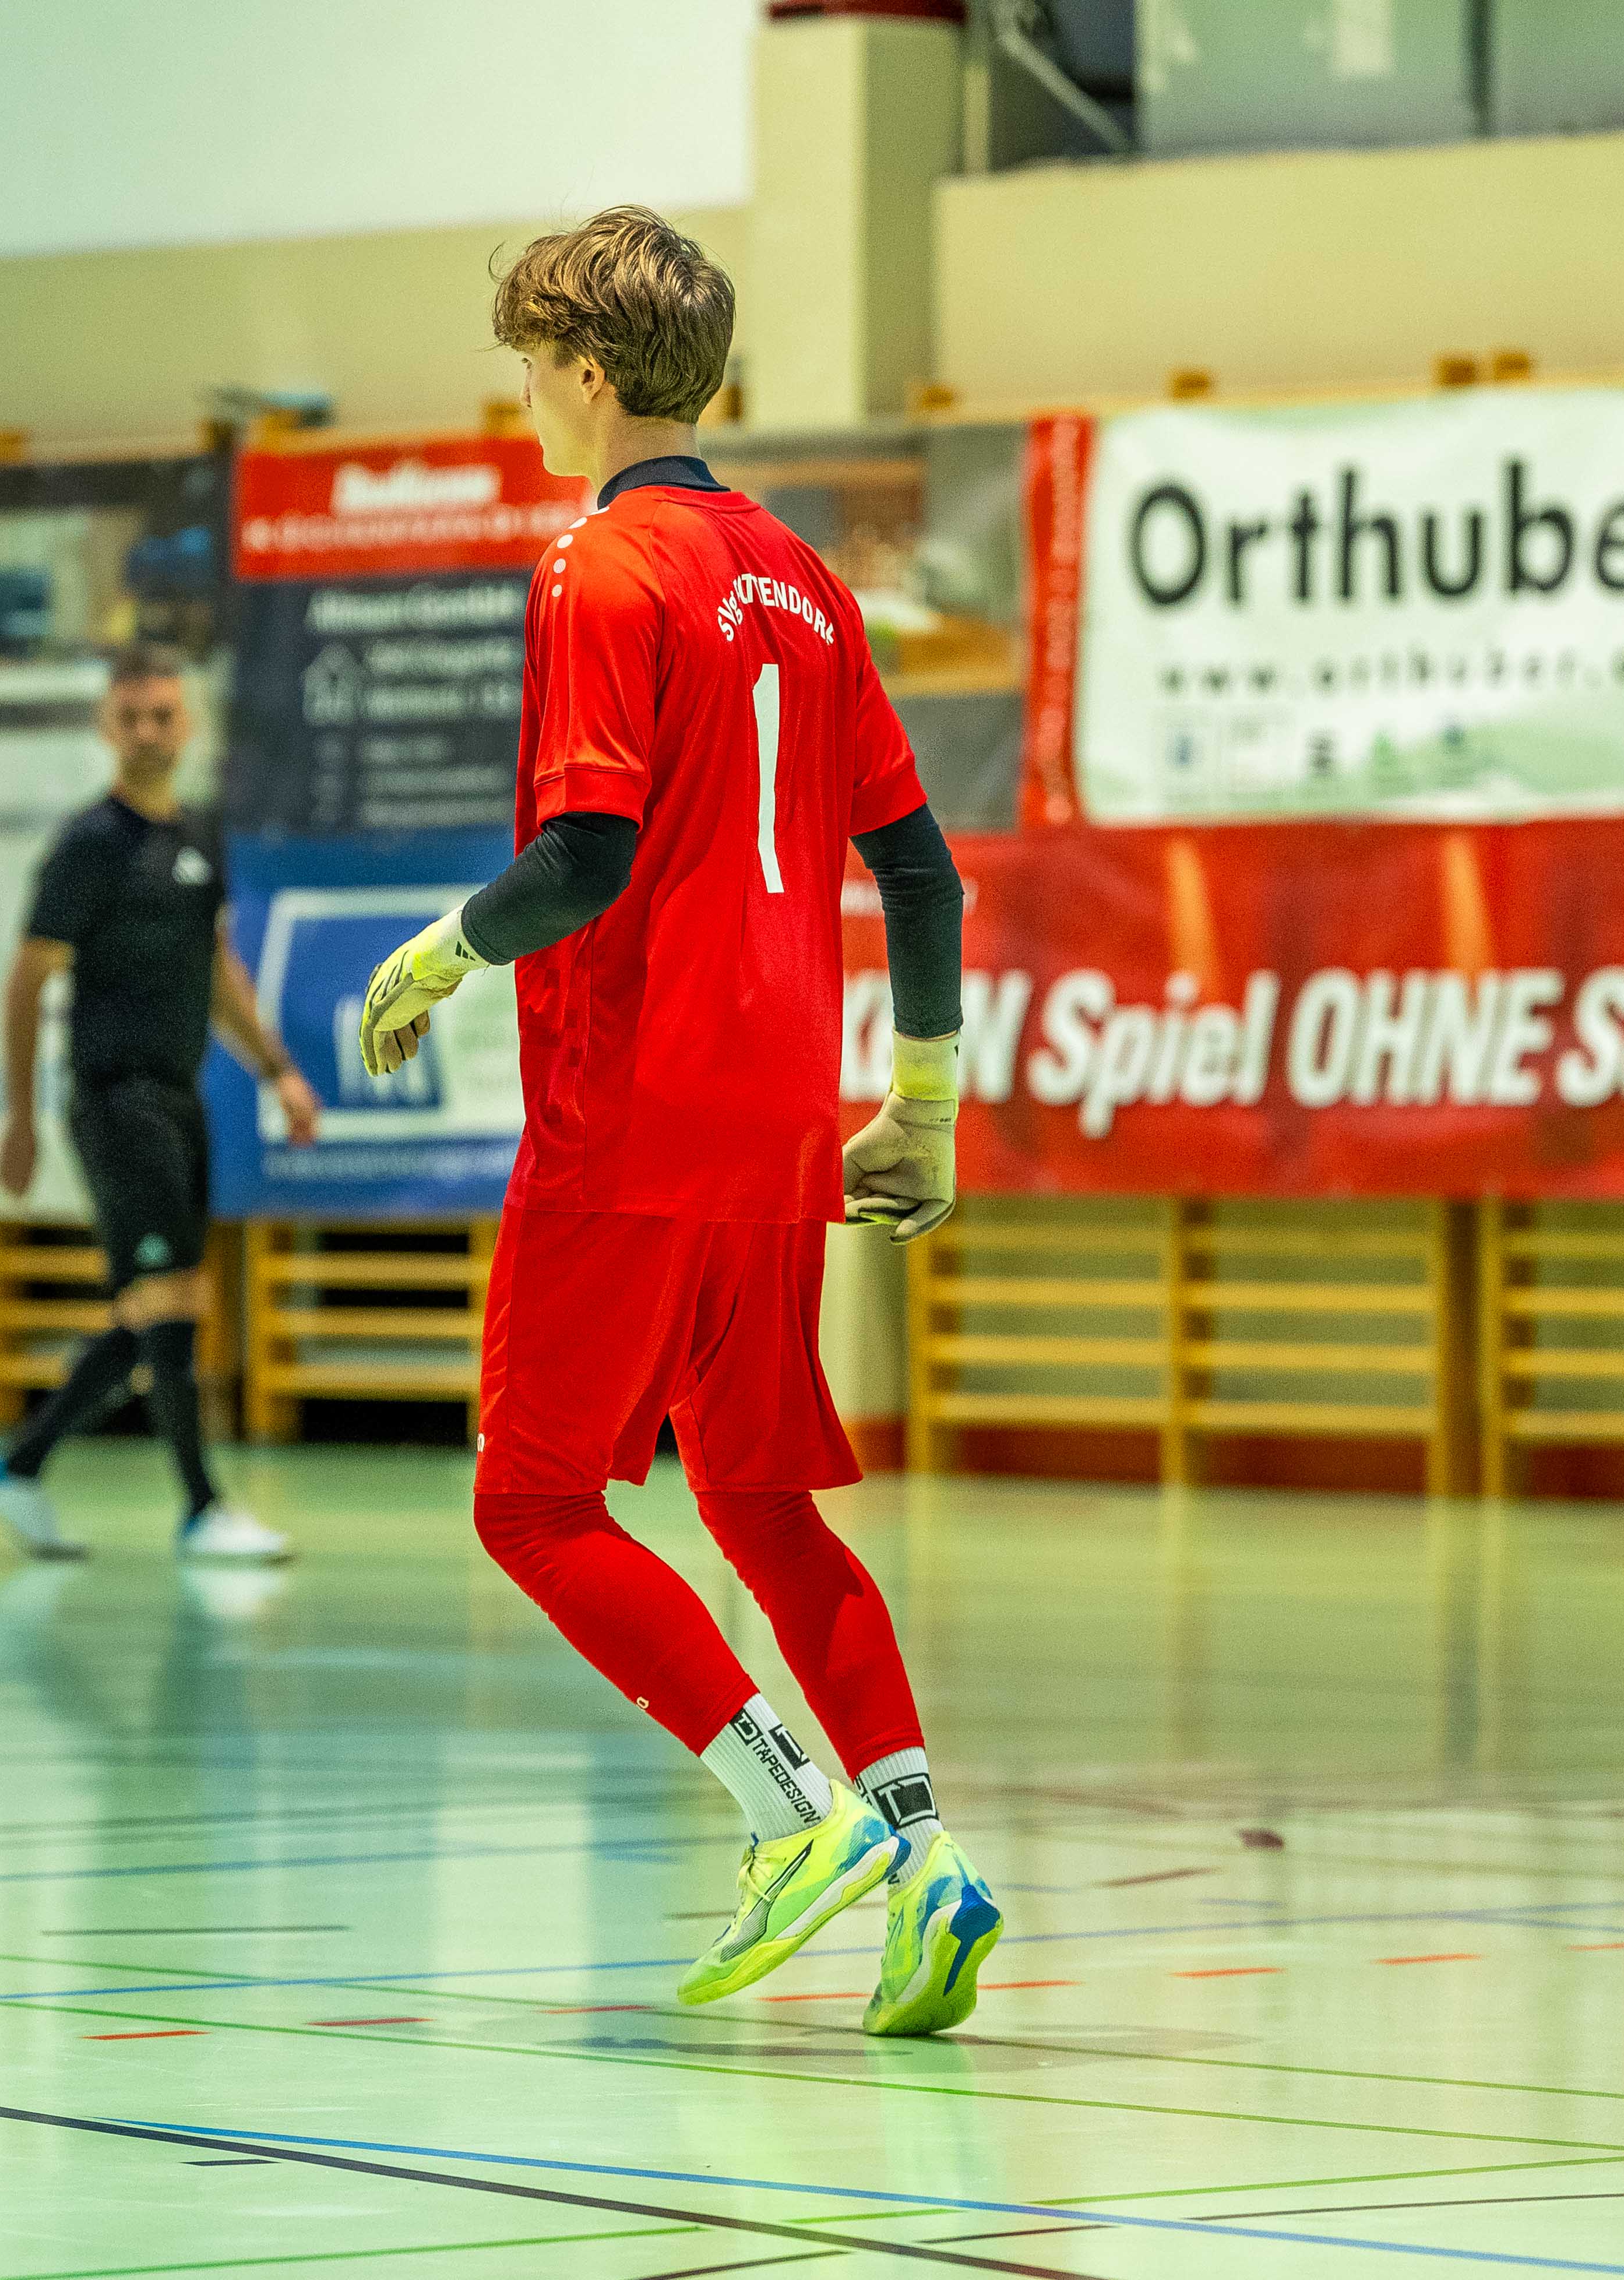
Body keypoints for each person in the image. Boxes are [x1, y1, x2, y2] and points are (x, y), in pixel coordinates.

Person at [351, 207, 995, 2034]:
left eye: (526, 369)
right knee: (761, 1500)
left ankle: (792, 1815)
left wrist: (435, 953)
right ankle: (926, 1856)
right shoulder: (804, 579)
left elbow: (586, 857)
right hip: (781, 1110)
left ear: (584, 373)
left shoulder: (599, 564)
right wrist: (924, 1103)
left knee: (534, 1499)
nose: (523, 403)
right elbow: (921, 872)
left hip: (629, 1104)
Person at [0, 643, 321, 1564]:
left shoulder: (199, 836)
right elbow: (25, 982)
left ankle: (18, 1469)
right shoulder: (88, 845)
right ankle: (202, 1509)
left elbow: (217, 970)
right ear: (106, 728)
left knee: (162, 1307)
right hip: (115, 1098)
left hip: (180, 1096)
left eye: (163, 715)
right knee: (165, 1301)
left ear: (187, 724)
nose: (149, 732)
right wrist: (19, 1120)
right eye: (131, 718)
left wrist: (278, 1070)